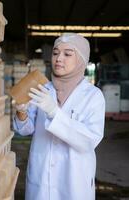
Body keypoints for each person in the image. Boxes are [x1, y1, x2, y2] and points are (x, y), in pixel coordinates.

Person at [13, 33, 105, 200]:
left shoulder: (93, 96)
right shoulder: (42, 89)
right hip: (40, 178)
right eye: (55, 53)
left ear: (81, 60)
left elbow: (89, 141)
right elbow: (26, 130)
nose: (58, 58)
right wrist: (22, 112)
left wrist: (54, 112)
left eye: (67, 54)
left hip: (74, 182)